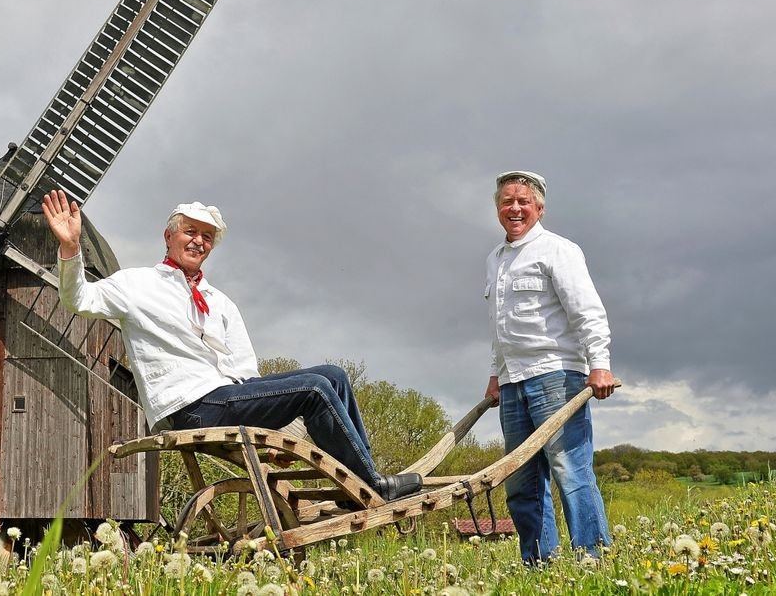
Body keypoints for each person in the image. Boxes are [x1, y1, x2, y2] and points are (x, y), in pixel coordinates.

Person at [41, 189, 423, 503]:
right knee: (316, 389)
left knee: (333, 375)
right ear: (169, 236)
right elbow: (79, 300)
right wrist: (71, 249)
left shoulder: (219, 301)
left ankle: (355, 484)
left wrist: (278, 433)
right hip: (188, 406)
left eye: (207, 237)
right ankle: (371, 483)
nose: (199, 241)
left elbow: (245, 375)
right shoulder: (135, 285)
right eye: (191, 231)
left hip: (225, 398)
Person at [483, 170, 616, 563]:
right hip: (512, 383)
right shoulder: (494, 260)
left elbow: (588, 312)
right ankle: (541, 565)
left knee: (570, 472)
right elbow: (498, 325)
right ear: (497, 210)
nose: (515, 208)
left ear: (539, 208)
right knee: (522, 480)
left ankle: (592, 561)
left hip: (556, 376)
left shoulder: (559, 250)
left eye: (523, 201)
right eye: (507, 201)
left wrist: (600, 365)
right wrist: (495, 374)